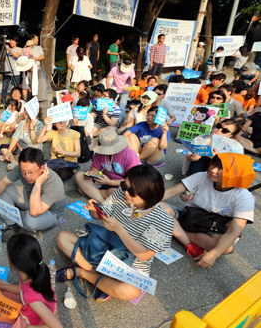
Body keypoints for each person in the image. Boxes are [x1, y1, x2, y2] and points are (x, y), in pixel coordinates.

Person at [56, 165, 174, 302]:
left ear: (148, 195)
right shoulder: (121, 193)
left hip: (130, 262)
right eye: (125, 185)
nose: (126, 193)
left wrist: (120, 230)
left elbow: (144, 255)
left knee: (130, 291)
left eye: (132, 192)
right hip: (103, 245)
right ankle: (103, 280)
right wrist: (92, 208)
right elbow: (97, 215)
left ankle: (83, 272)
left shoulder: (162, 220)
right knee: (62, 237)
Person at [161, 154, 255, 267]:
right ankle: (184, 238)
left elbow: (234, 231)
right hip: (189, 218)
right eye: (214, 164)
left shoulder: (244, 197)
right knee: (158, 207)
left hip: (214, 229)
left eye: (222, 168)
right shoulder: (202, 176)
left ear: (236, 173)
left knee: (226, 248)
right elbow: (170, 192)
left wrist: (214, 254)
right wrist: (142, 201)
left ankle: (175, 229)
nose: (213, 170)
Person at [0, 147, 66, 232]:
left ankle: (9, 213)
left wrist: (38, 183)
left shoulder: (53, 184)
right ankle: (11, 223)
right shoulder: (23, 168)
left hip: (50, 212)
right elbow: (4, 181)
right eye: (23, 171)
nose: (27, 176)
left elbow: (34, 212)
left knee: (29, 221)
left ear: (42, 168)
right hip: (31, 200)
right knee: (4, 189)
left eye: (31, 172)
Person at [75, 129, 140, 203]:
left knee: (118, 192)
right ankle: (102, 201)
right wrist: (92, 174)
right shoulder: (100, 152)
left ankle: (92, 192)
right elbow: (95, 167)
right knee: (79, 175)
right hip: (103, 180)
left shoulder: (130, 155)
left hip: (120, 183)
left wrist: (109, 182)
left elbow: (133, 180)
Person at [106, 59, 136, 127]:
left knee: (122, 106)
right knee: (111, 105)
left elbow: (132, 79)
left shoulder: (131, 69)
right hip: (115, 88)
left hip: (125, 89)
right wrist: (108, 86)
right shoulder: (114, 69)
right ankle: (108, 121)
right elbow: (108, 77)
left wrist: (132, 85)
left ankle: (119, 124)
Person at [0, 35, 22, 109]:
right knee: (4, 88)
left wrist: (9, 49)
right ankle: (2, 103)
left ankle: (17, 103)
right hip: (7, 71)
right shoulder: (6, 49)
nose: (11, 42)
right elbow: (1, 58)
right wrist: (3, 52)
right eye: (10, 40)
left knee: (16, 89)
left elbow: (17, 56)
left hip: (15, 72)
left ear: (16, 42)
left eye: (13, 41)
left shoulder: (19, 49)